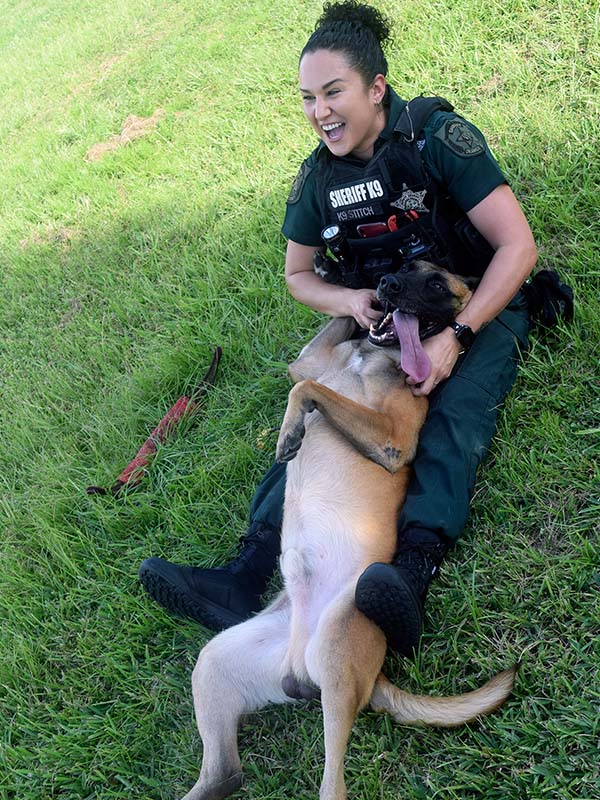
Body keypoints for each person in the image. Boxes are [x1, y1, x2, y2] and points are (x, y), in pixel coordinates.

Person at [139, 1, 537, 657]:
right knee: (320, 413)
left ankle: (409, 578)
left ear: (375, 88)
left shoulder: (436, 137)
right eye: (307, 98)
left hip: (469, 299)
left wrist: (457, 336)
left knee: (454, 414)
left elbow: (516, 248)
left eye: (333, 92)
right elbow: (297, 275)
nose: (320, 111)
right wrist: (351, 300)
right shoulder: (318, 178)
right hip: (384, 312)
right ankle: (246, 574)